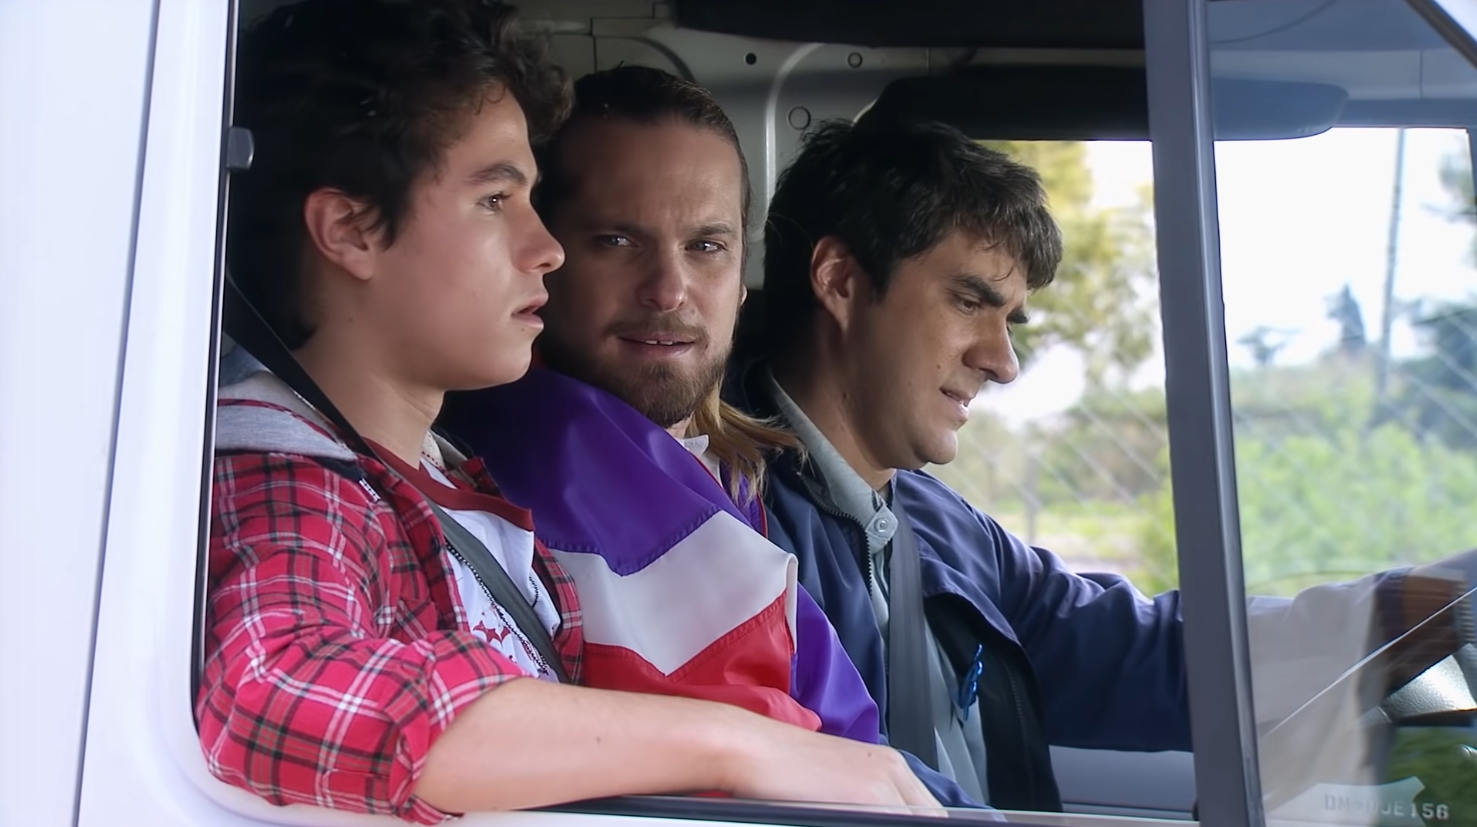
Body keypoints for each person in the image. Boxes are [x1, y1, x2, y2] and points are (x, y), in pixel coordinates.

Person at [198, 2, 941, 821]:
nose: (544, 248)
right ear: (350, 229)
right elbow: (272, 687)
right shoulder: (287, 477)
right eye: (496, 200)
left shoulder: (435, 476)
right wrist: (731, 745)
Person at [725, 113, 1477, 810]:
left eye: (1010, 321)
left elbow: (1147, 655)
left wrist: (1422, 608)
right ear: (840, 280)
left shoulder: (937, 527)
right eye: (969, 302)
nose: (1002, 362)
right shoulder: (724, 532)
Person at [437, 66, 971, 808]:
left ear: (742, 280)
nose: (667, 288)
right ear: (543, 258)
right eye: (616, 240)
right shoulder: (546, 461)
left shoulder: (743, 471)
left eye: (706, 246)